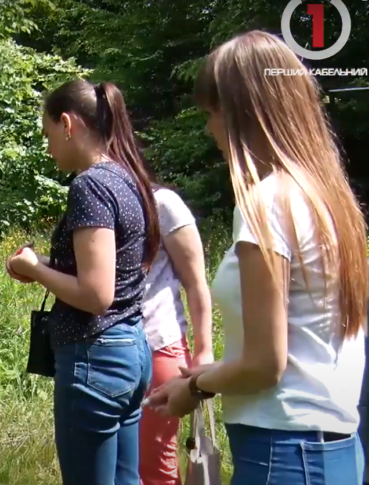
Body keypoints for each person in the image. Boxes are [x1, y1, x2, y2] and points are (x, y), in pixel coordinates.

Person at [146, 30, 369, 485]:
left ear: (243, 113)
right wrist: (217, 371)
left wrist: (195, 387)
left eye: (212, 113)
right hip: (335, 450)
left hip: (285, 453)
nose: (209, 128)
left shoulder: (268, 205)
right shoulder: (329, 199)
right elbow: (300, 343)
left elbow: (267, 365)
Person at [6, 79, 160, 485]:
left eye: (48, 133)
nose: (48, 146)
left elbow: (96, 294)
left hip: (95, 356)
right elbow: (105, 266)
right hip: (131, 349)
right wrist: (41, 262)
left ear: (68, 123)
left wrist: (38, 271)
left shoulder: (89, 185)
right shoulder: (126, 178)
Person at [137, 180, 214, 485]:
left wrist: (204, 349)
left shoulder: (162, 203)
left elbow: (196, 282)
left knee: (153, 468)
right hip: (110, 351)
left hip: (158, 346)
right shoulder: (100, 198)